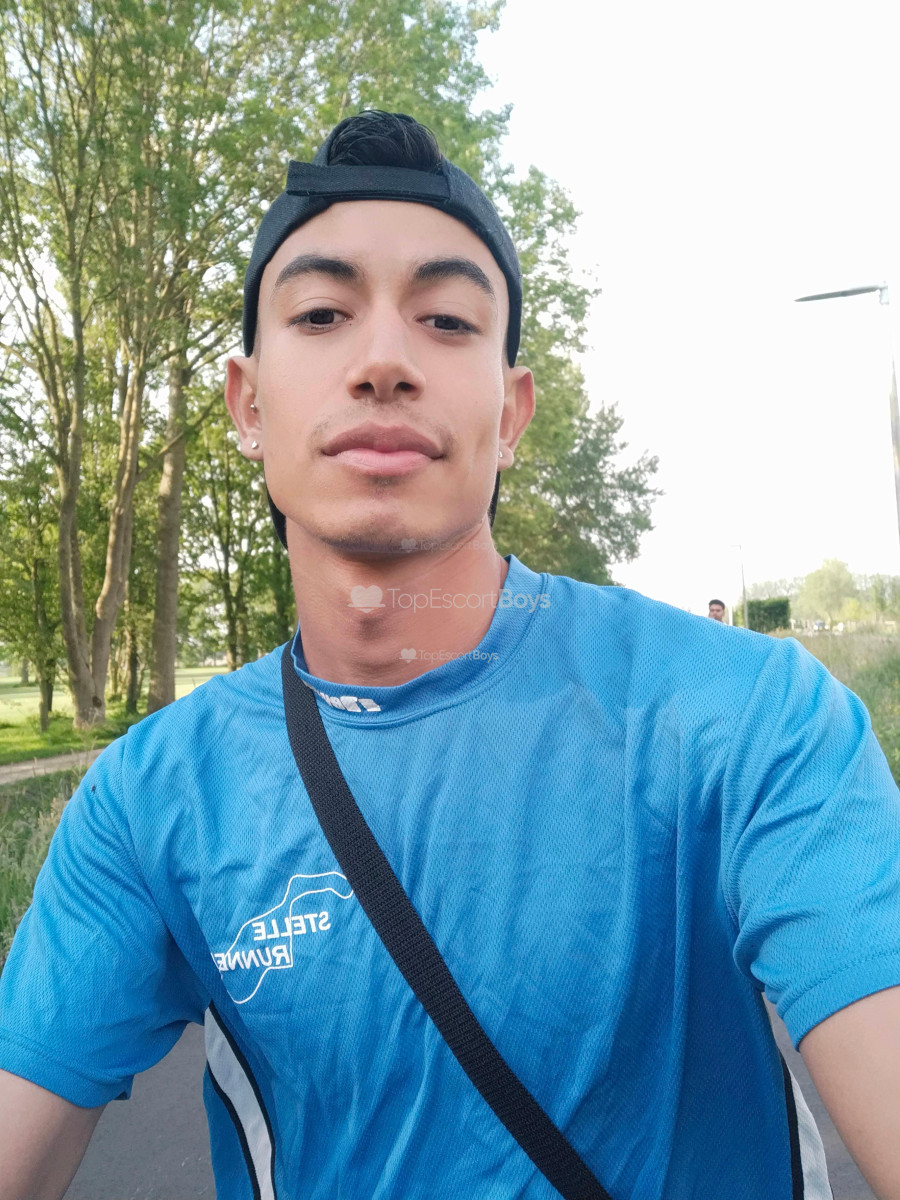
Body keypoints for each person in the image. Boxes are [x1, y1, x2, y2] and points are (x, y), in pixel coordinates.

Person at [1, 111, 899, 1200]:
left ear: (511, 414)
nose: (384, 361)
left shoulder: (747, 719)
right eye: (322, 314)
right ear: (248, 404)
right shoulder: (148, 801)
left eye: (445, 319)